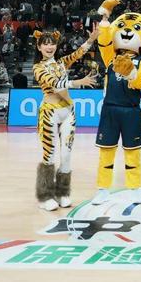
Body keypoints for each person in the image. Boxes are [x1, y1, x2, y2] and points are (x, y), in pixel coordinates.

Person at [91, 0, 141, 205]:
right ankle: (103, 189)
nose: (127, 33)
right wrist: (105, 19)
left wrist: (130, 73)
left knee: (132, 153)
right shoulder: (111, 57)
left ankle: (134, 188)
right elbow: (103, 42)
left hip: (131, 111)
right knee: (106, 152)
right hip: (110, 109)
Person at [32, 27, 99, 211]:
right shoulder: (38, 68)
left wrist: (91, 39)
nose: (49, 47)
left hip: (68, 112)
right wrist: (78, 82)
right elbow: (55, 84)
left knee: (66, 154)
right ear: (39, 47)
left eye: (52, 43)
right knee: (49, 154)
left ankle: (62, 193)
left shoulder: (62, 62)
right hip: (49, 113)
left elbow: (78, 53)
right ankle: (45, 196)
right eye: (45, 44)